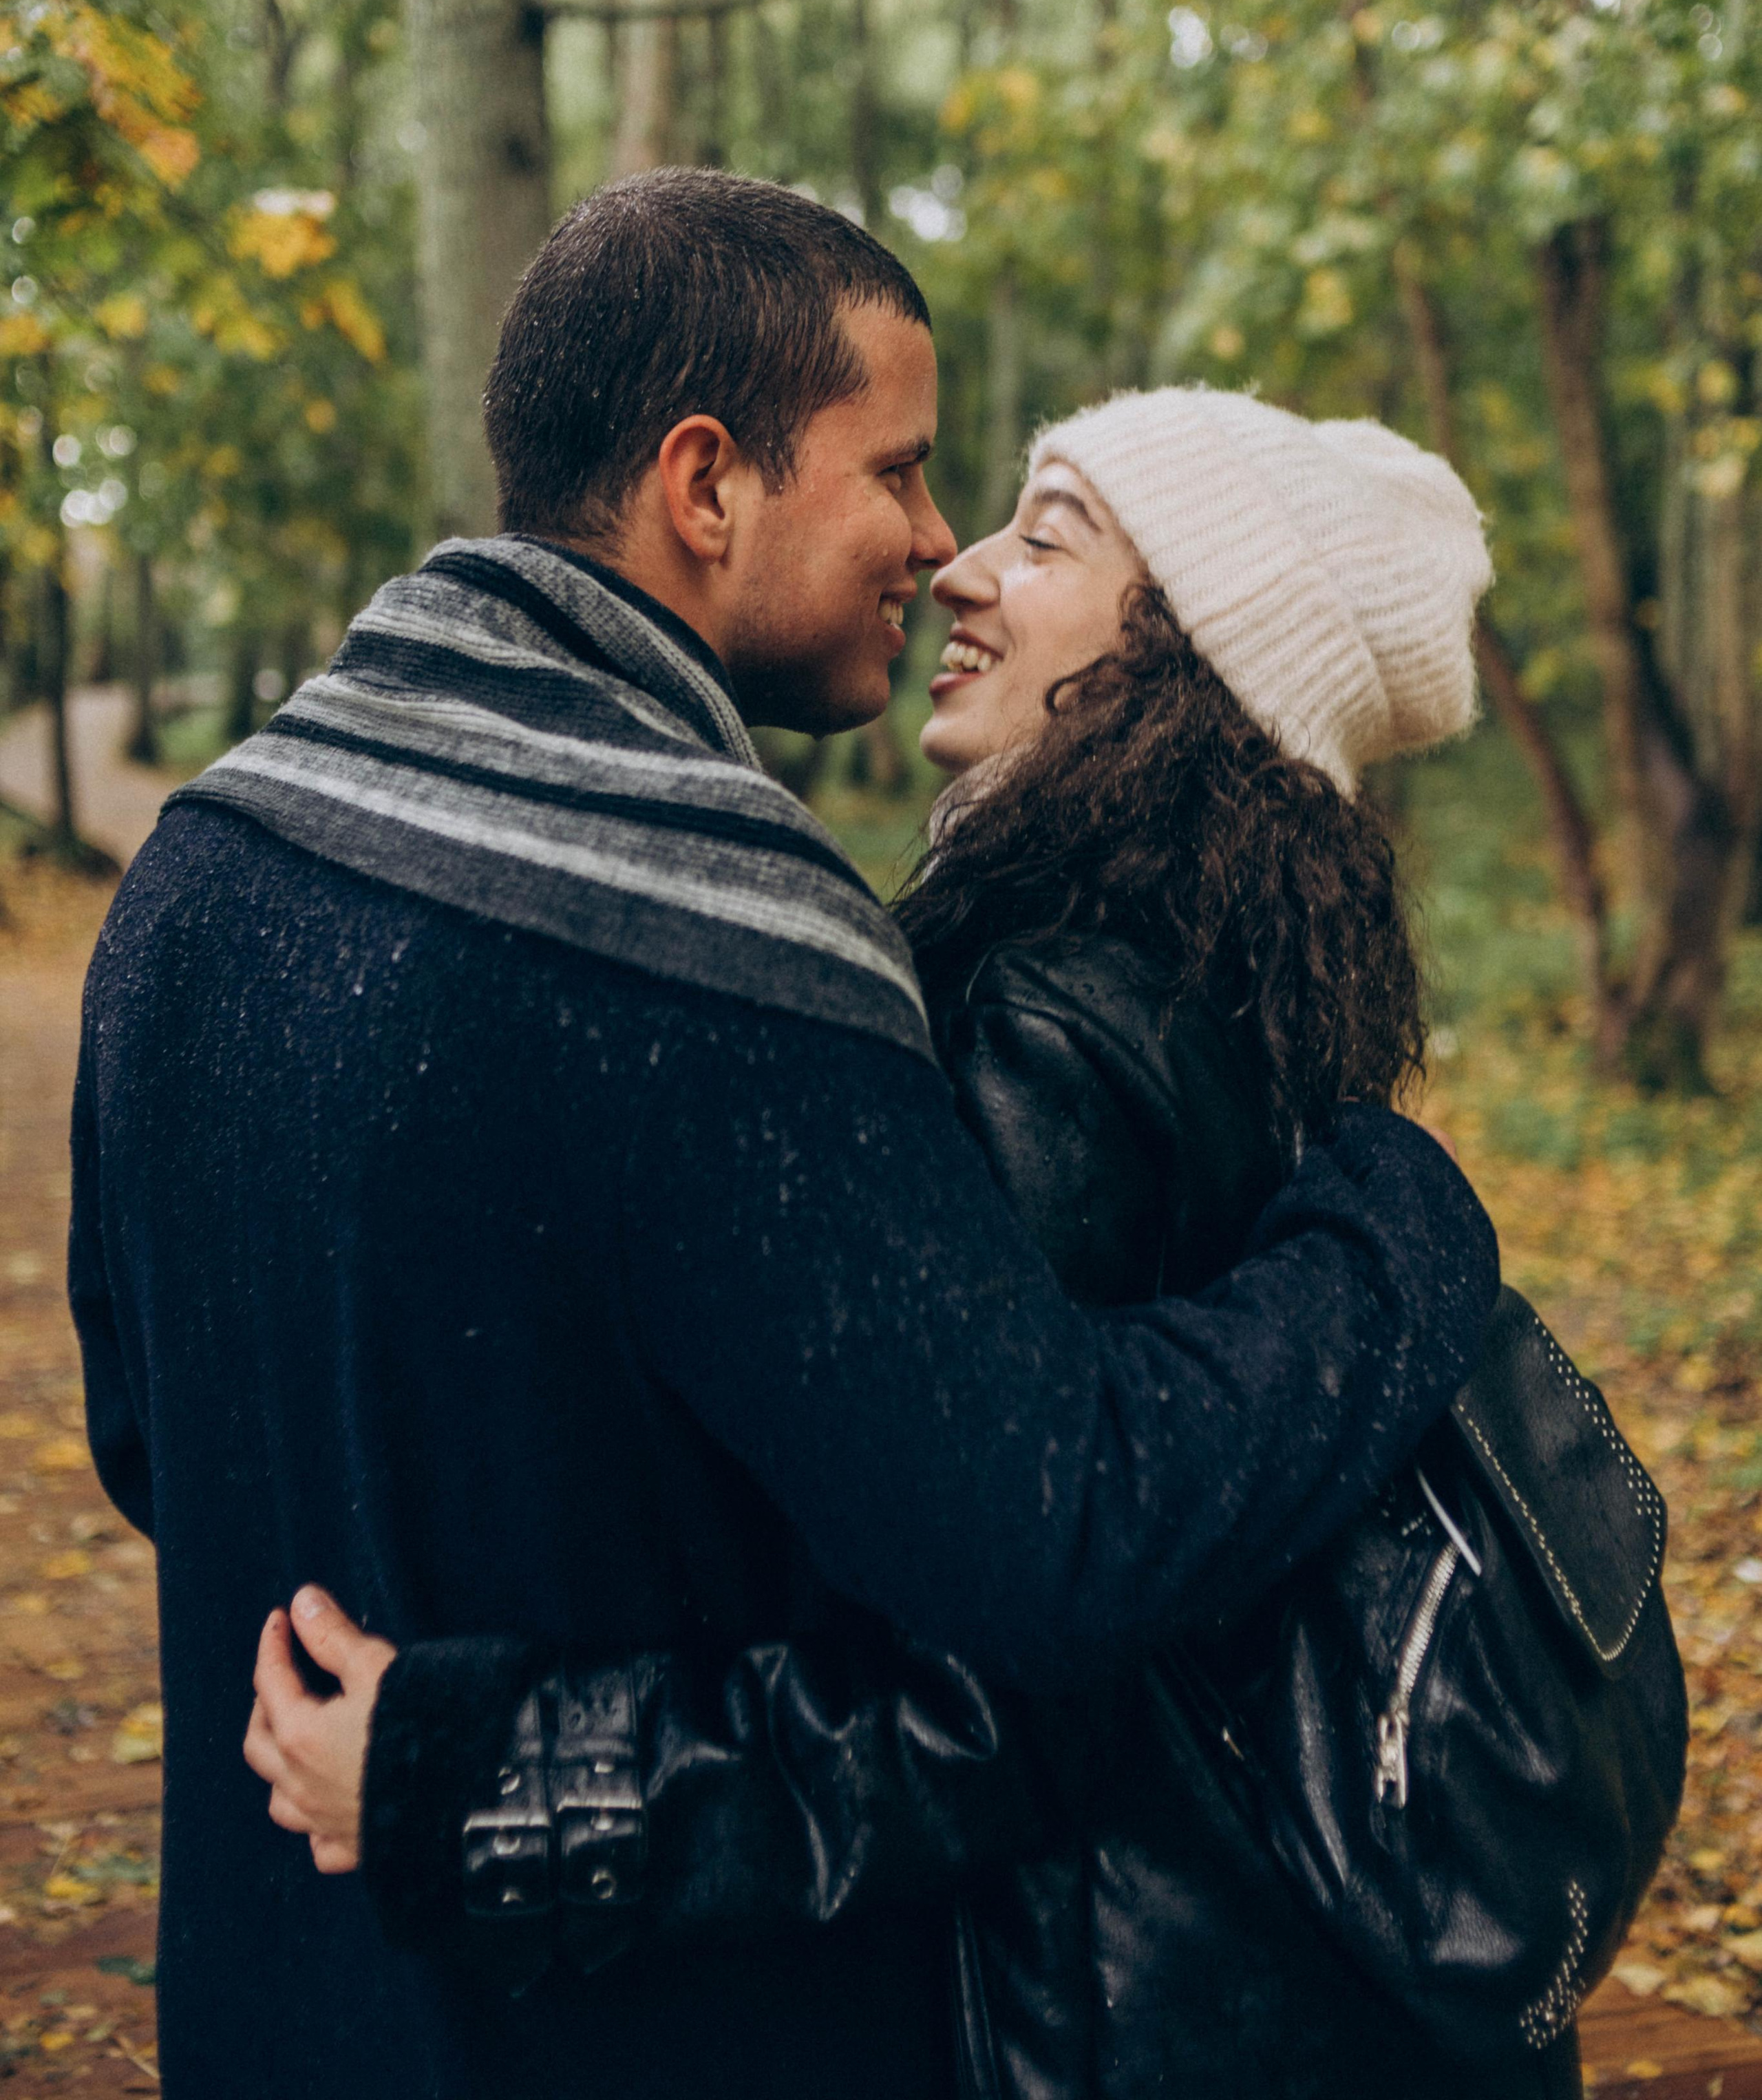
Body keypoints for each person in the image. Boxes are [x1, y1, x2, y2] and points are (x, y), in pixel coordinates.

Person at [72, 171, 1496, 2100]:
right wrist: (1406, 1235)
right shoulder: (735, 948)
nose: (937, 541)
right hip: (641, 2027)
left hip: (268, 1993)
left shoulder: (196, 859)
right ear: (706, 483)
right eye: (900, 472)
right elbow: (1036, 1558)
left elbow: (155, 1440)